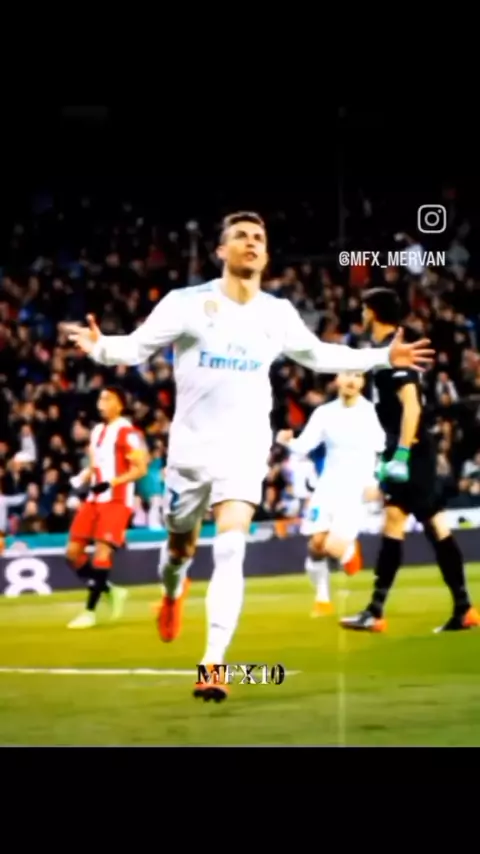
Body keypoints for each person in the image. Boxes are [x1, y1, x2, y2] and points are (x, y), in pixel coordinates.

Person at [64, 212, 433, 700]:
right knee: (179, 550)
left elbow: (319, 355)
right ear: (222, 251)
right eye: (240, 236)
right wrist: (100, 348)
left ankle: (212, 664)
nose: (251, 242)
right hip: (190, 452)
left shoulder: (276, 313)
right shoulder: (187, 303)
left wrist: (382, 357)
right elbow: (134, 349)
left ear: (266, 252)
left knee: (230, 547)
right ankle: (172, 593)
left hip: (244, 449)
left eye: (258, 237)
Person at [340, 288, 479, 633]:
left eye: (364, 309)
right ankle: (462, 608)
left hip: (412, 451)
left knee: (408, 522)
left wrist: (401, 453)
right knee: (424, 524)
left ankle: (378, 611)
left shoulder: (395, 351)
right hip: (410, 450)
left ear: (373, 312)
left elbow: (412, 405)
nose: (361, 315)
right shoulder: (384, 351)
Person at [277, 371, 385, 616]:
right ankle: (322, 599)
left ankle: (348, 551)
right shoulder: (324, 413)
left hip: (355, 490)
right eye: (347, 374)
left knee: (333, 548)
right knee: (316, 544)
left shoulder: (370, 413)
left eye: (357, 375)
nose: (351, 380)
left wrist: (374, 480)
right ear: (337, 378)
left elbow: (381, 450)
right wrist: (287, 441)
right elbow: (304, 445)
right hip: (327, 486)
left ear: (363, 381)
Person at [66, 386, 148, 629]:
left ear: (119, 405)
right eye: (100, 398)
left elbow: (140, 469)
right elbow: (95, 465)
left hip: (117, 500)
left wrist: (112, 483)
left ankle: (89, 612)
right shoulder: (97, 431)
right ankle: (110, 590)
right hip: (94, 499)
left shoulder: (128, 432)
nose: (101, 402)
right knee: (72, 554)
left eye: (107, 398)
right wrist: (81, 478)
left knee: (102, 553)